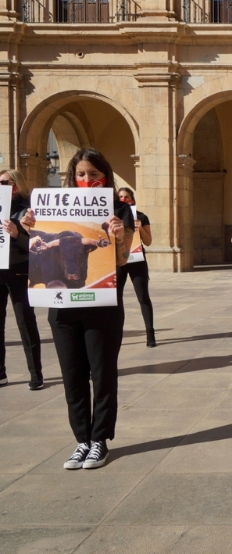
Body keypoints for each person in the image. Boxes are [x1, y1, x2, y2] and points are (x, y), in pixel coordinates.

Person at [22, 148, 134, 469]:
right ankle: (81, 440)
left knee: (102, 374)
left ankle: (99, 440)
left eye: (94, 175)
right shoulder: (52, 208)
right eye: (81, 174)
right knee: (72, 375)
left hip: (102, 307)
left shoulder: (120, 210)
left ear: (106, 177)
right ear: (72, 177)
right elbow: (33, 250)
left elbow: (124, 259)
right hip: (61, 309)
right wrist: (29, 226)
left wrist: (118, 237)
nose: (87, 180)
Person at [0, 169, 43, 390]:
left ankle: (36, 374)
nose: (1, 184)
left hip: (18, 269)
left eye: (4, 182)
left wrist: (16, 233)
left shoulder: (28, 208)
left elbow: (34, 245)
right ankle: (0, 373)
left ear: (16, 184)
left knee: (25, 321)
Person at [117, 188, 157, 348]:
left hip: (137, 260)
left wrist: (139, 227)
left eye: (127, 197)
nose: (124, 199)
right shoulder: (113, 216)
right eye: (120, 197)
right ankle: (117, 332)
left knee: (143, 297)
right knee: (116, 298)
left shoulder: (141, 216)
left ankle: (150, 333)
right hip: (119, 261)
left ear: (132, 199)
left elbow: (148, 242)